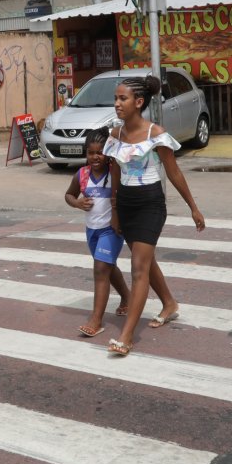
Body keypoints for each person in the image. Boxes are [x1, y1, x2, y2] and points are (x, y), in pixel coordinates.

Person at [104, 74, 206, 356]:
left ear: (138, 102)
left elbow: (173, 172)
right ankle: (170, 303)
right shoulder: (115, 135)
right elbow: (114, 172)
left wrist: (193, 208)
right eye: (115, 98)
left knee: (139, 268)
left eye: (122, 98)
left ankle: (126, 337)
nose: (117, 104)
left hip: (150, 205)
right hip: (125, 204)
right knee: (145, 261)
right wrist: (114, 211)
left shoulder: (156, 134)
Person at [64, 131, 132, 337]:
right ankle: (127, 298)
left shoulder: (115, 173)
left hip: (111, 230)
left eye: (100, 153)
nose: (95, 157)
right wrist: (77, 203)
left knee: (101, 269)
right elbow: (69, 195)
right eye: (91, 152)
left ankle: (96, 320)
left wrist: (120, 218)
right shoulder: (82, 174)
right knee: (108, 268)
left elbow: (123, 197)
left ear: (108, 153)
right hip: (91, 231)